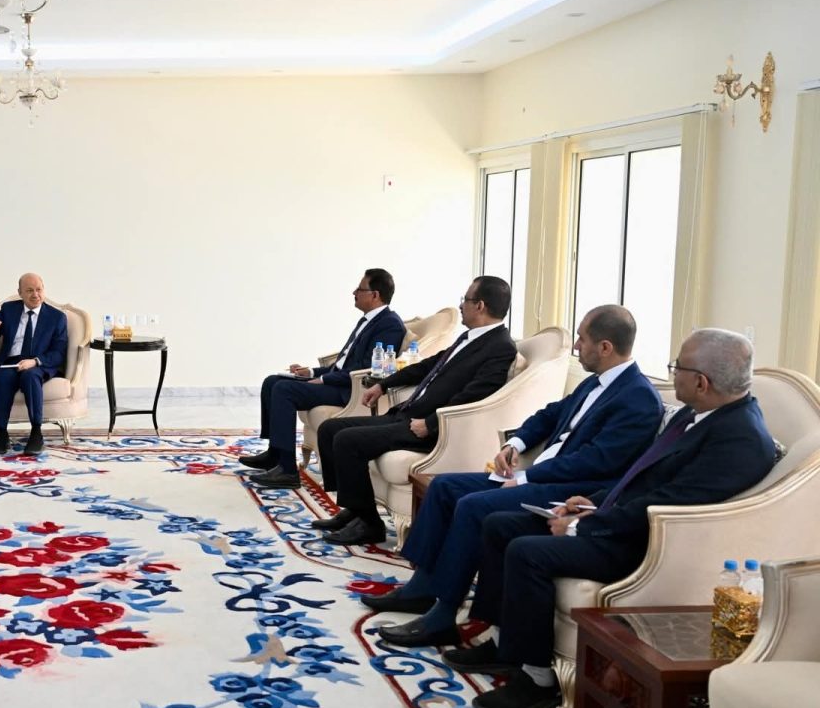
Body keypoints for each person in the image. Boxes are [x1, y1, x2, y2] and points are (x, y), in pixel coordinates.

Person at [448, 328, 775, 708]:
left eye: (677, 367)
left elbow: (671, 504)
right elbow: (641, 476)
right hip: (622, 519)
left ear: (702, 382)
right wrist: (594, 501)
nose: (673, 374)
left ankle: (536, 681)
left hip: (648, 546)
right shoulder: (698, 412)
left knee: (527, 552)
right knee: (500, 525)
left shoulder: (739, 439)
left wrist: (582, 527)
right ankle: (504, 643)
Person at [369, 305, 663, 647]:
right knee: (445, 487)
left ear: (606, 347)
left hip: (569, 490)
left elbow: (595, 462)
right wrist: (516, 443)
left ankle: (443, 615)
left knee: (473, 506)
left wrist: (527, 477)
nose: (576, 346)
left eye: (582, 339)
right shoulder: (595, 383)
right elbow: (550, 414)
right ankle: (421, 588)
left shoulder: (639, 399)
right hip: (540, 475)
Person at [258, 276, 518, 547]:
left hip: (429, 428)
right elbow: (426, 366)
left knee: (348, 440)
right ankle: (355, 509)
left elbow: (473, 396)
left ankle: (369, 523)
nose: (461, 305)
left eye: (465, 299)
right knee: (330, 428)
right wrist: (383, 384)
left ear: (480, 305)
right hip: (409, 414)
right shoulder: (469, 337)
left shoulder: (499, 347)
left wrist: (430, 423)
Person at [239, 268, 406, 475]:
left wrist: (325, 379)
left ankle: (287, 470)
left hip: (348, 390)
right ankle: (275, 453)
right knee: (271, 381)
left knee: (284, 390)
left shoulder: (389, 325)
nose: (354, 292)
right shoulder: (368, 320)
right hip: (338, 380)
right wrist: (311, 372)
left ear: (375, 295)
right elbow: (343, 363)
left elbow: (366, 369)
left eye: (360, 289)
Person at [0, 273, 68, 455]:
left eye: (39, 289)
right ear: (20, 293)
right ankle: (1, 434)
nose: (35, 294)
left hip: (39, 363)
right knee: (3, 377)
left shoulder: (57, 317)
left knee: (30, 376)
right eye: (29, 290)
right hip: (11, 362)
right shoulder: (9, 309)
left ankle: (36, 433)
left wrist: (34, 362)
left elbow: (59, 353)